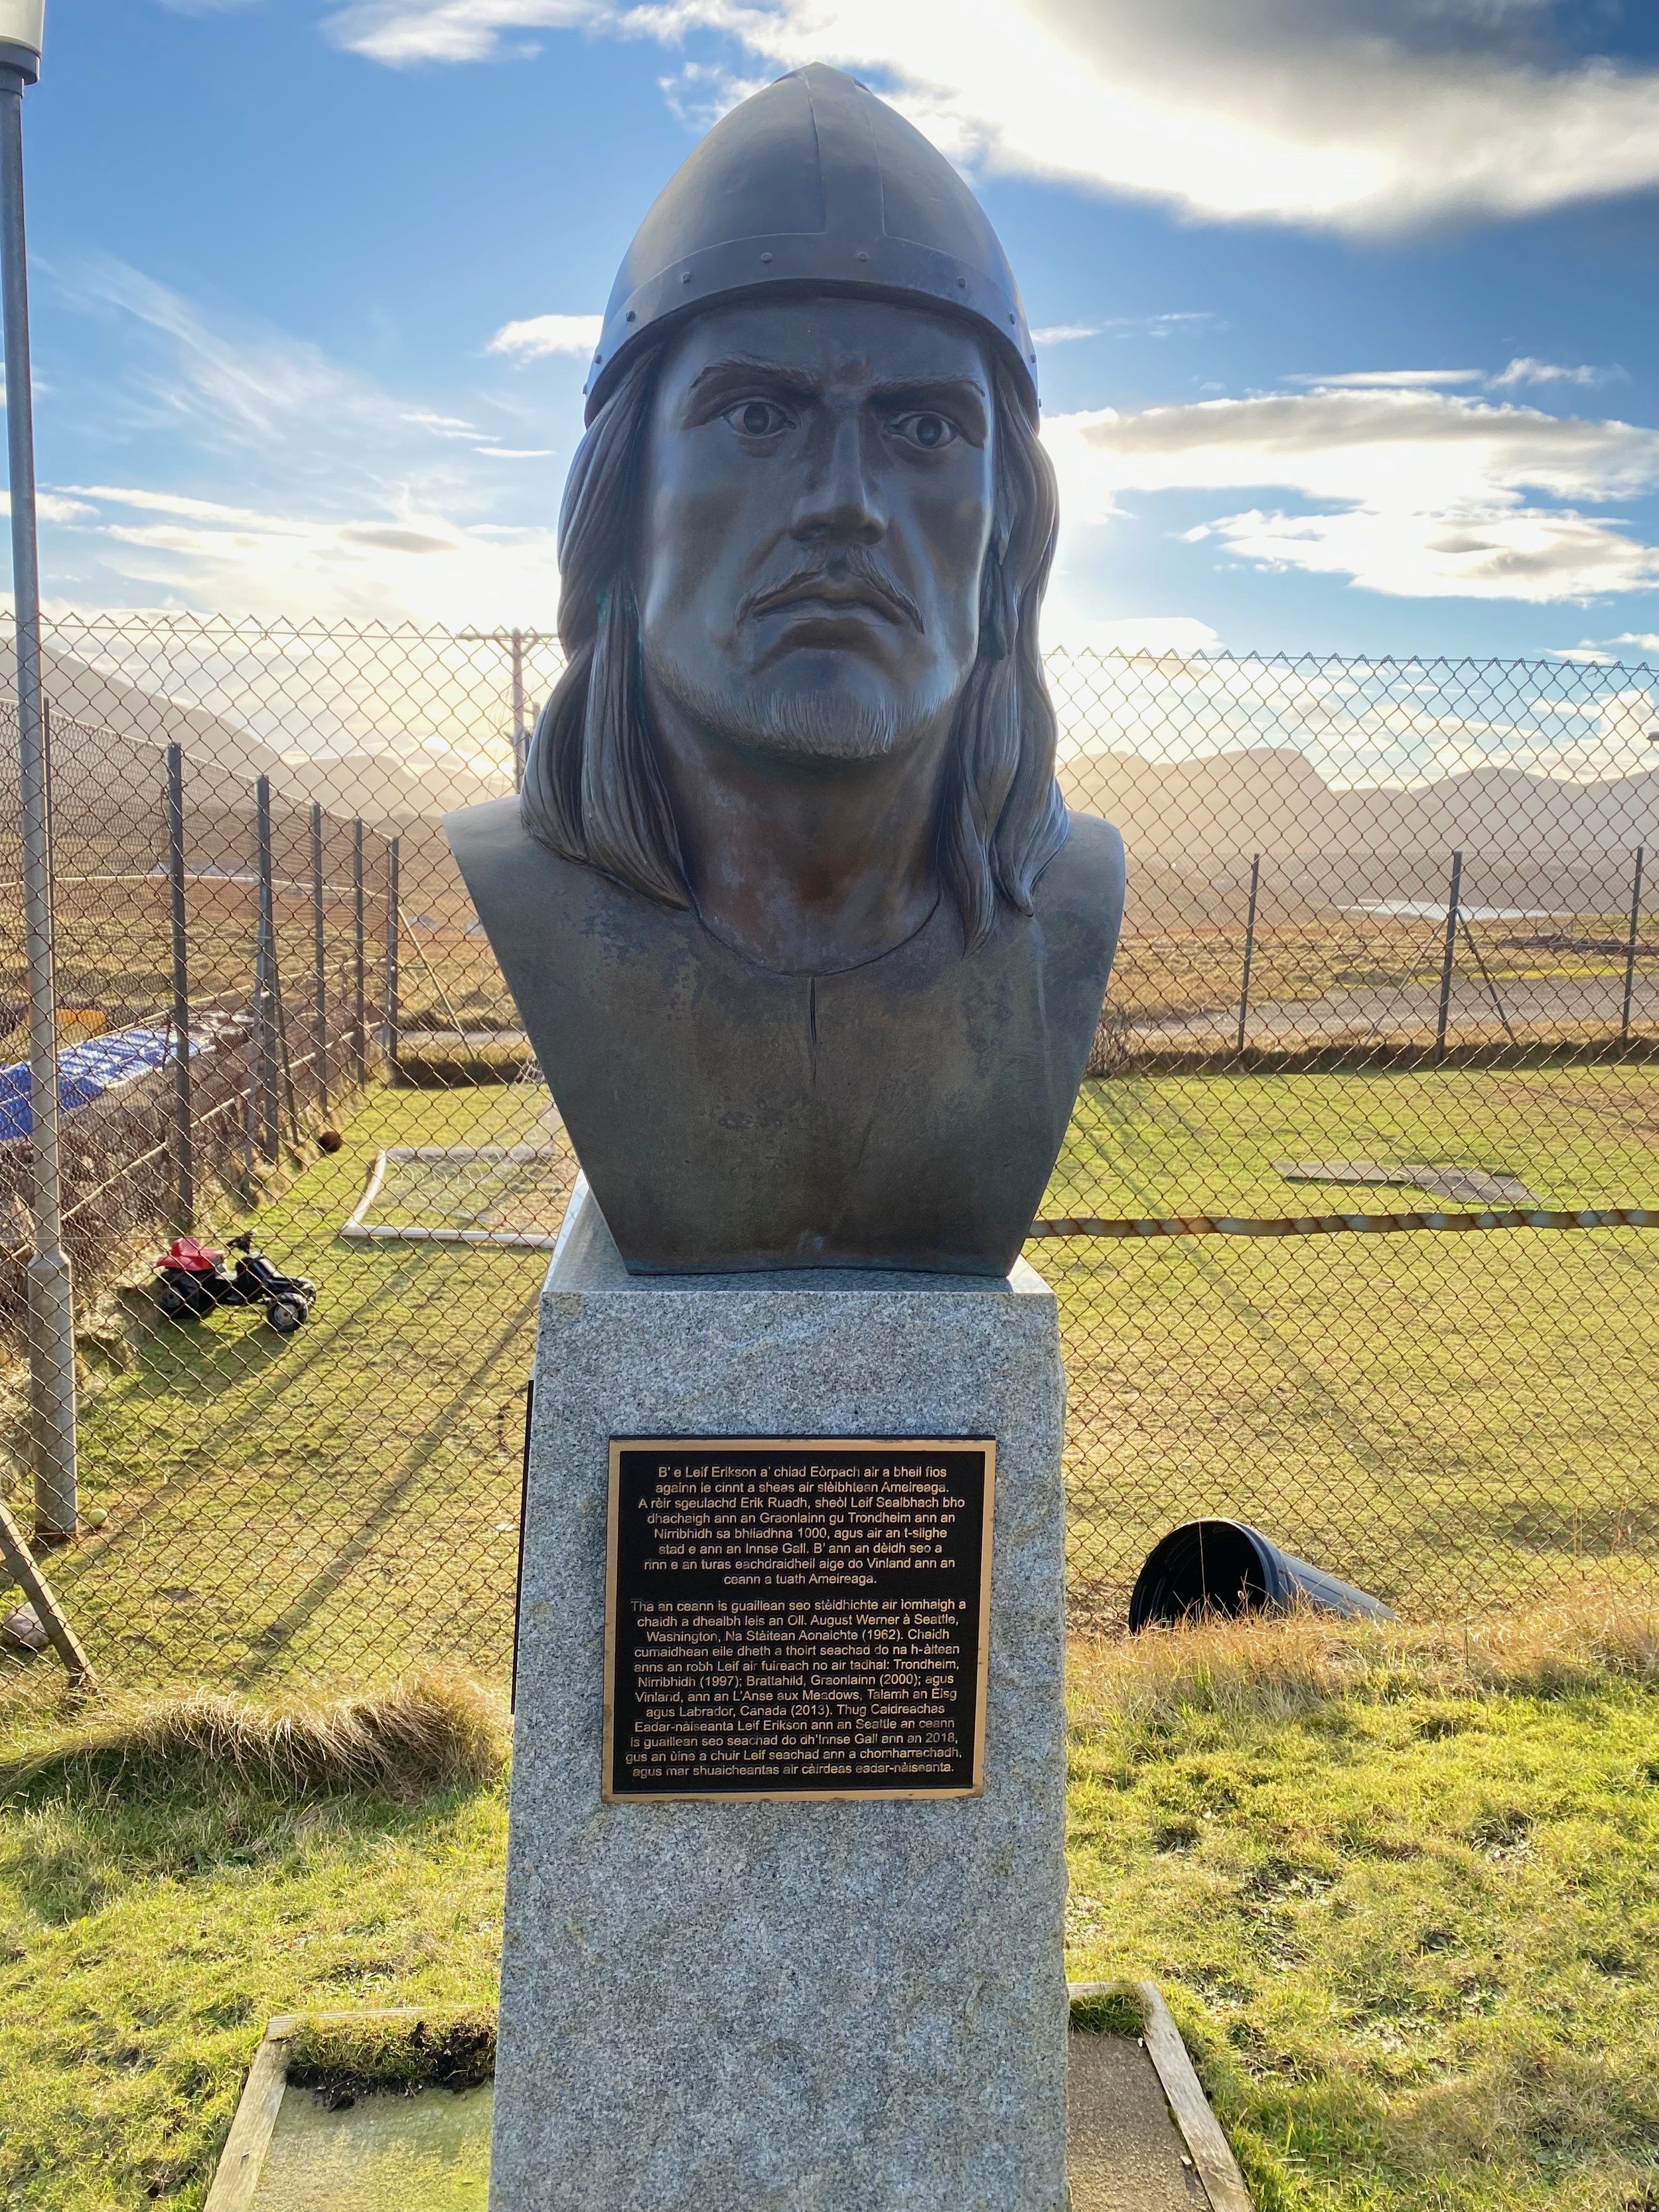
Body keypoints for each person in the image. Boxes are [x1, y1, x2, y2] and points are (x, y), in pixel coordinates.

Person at [447, 64, 1124, 1274]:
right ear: (622, 503)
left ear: (1007, 532)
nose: (847, 507)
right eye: (760, 417)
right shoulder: (526, 887)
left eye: (925, 428)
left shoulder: (1067, 908)